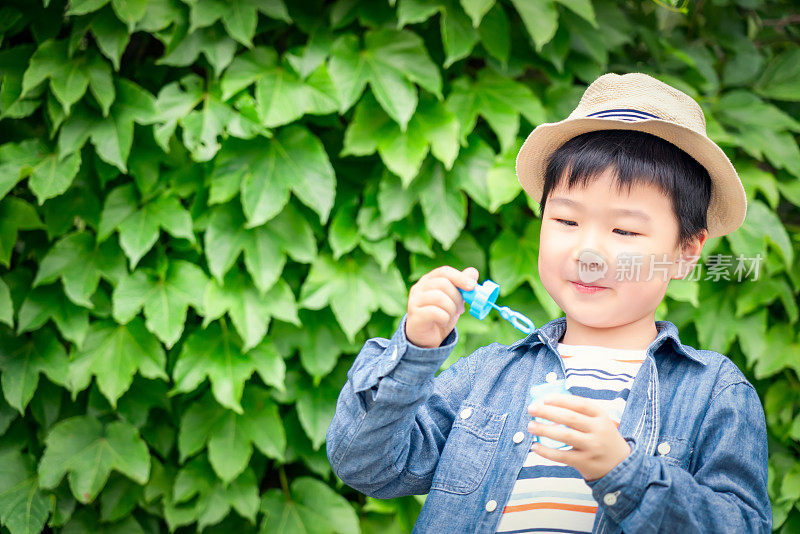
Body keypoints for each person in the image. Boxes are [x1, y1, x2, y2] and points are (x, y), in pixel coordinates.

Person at [325, 72, 772, 533]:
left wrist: (625, 472)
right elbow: (366, 464)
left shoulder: (714, 393)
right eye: (566, 220)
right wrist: (414, 351)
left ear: (686, 252)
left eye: (625, 231)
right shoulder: (487, 376)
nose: (588, 252)